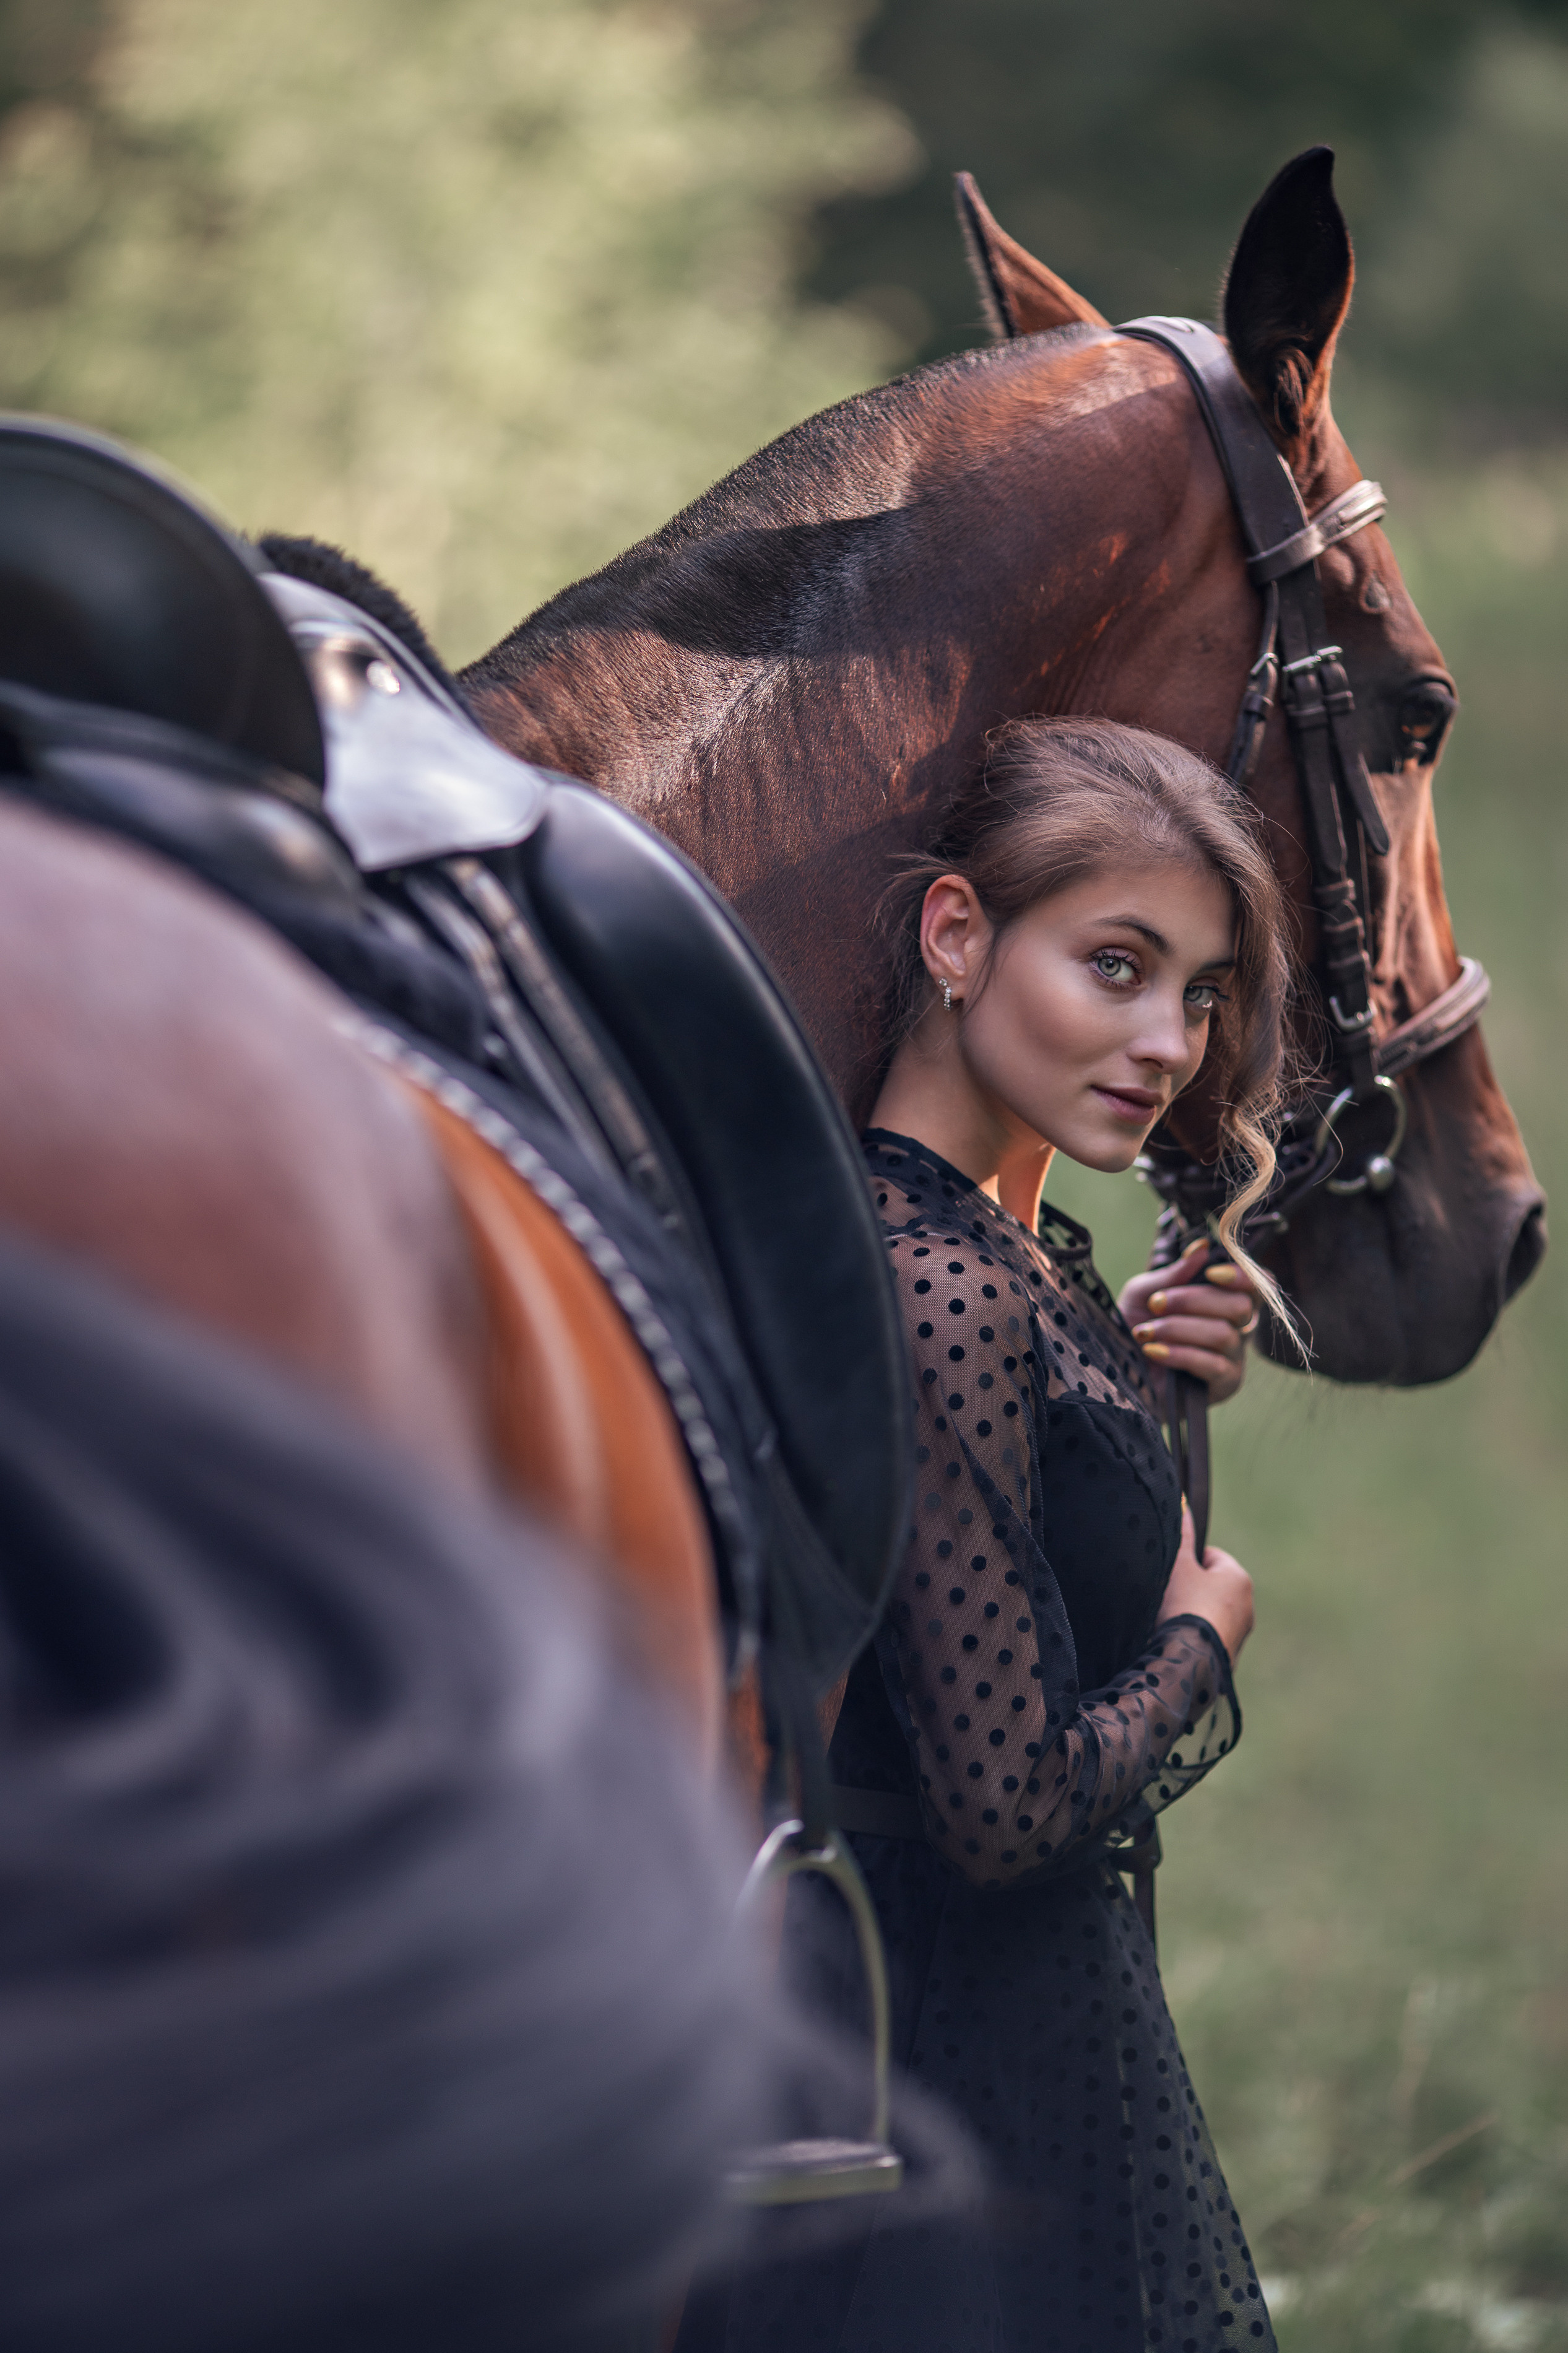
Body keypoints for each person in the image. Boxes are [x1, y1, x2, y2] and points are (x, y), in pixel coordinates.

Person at [717, 716, 1294, 2352]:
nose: (1169, 1039)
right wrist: (1204, 1639)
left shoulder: (977, 1250)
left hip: (986, 2043)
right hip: (951, 2083)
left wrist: (1103, 1363)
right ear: (958, 934)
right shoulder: (945, 1283)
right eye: (1115, 965)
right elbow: (1006, 1804)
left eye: (1196, 990)